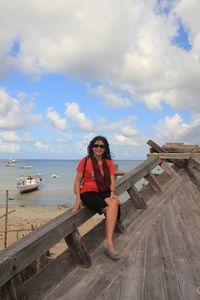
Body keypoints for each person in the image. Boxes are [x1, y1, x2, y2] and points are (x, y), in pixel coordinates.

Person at [72, 135, 122, 260]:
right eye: (96, 145)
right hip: (88, 192)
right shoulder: (85, 161)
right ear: (91, 147)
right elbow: (77, 181)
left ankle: (108, 242)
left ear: (105, 148)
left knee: (114, 203)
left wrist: (112, 192)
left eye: (102, 146)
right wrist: (78, 199)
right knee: (109, 209)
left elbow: (111, 180)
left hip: (104, 190)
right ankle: (109, 243)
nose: (98, 148)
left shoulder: (108, 162)